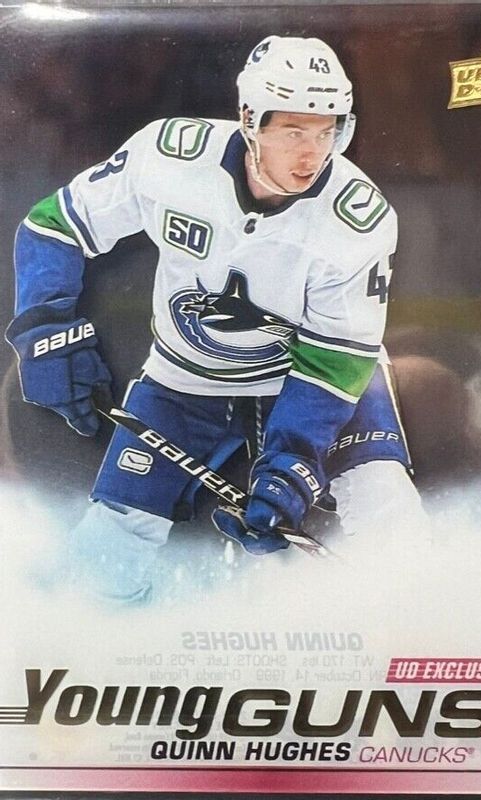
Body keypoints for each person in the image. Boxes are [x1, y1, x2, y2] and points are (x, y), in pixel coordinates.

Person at [6, 35, 422, 603]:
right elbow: (53, 226)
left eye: (327, 132)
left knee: (385, 504)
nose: (312, 155)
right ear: (250, 119)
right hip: (184, 379)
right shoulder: (169, 158)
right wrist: (43, 330)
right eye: (293, 132)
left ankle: (422, 624)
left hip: (313, 380)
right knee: (109, 549)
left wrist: (292, 462)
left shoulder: (357, 220)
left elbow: (337, 359)